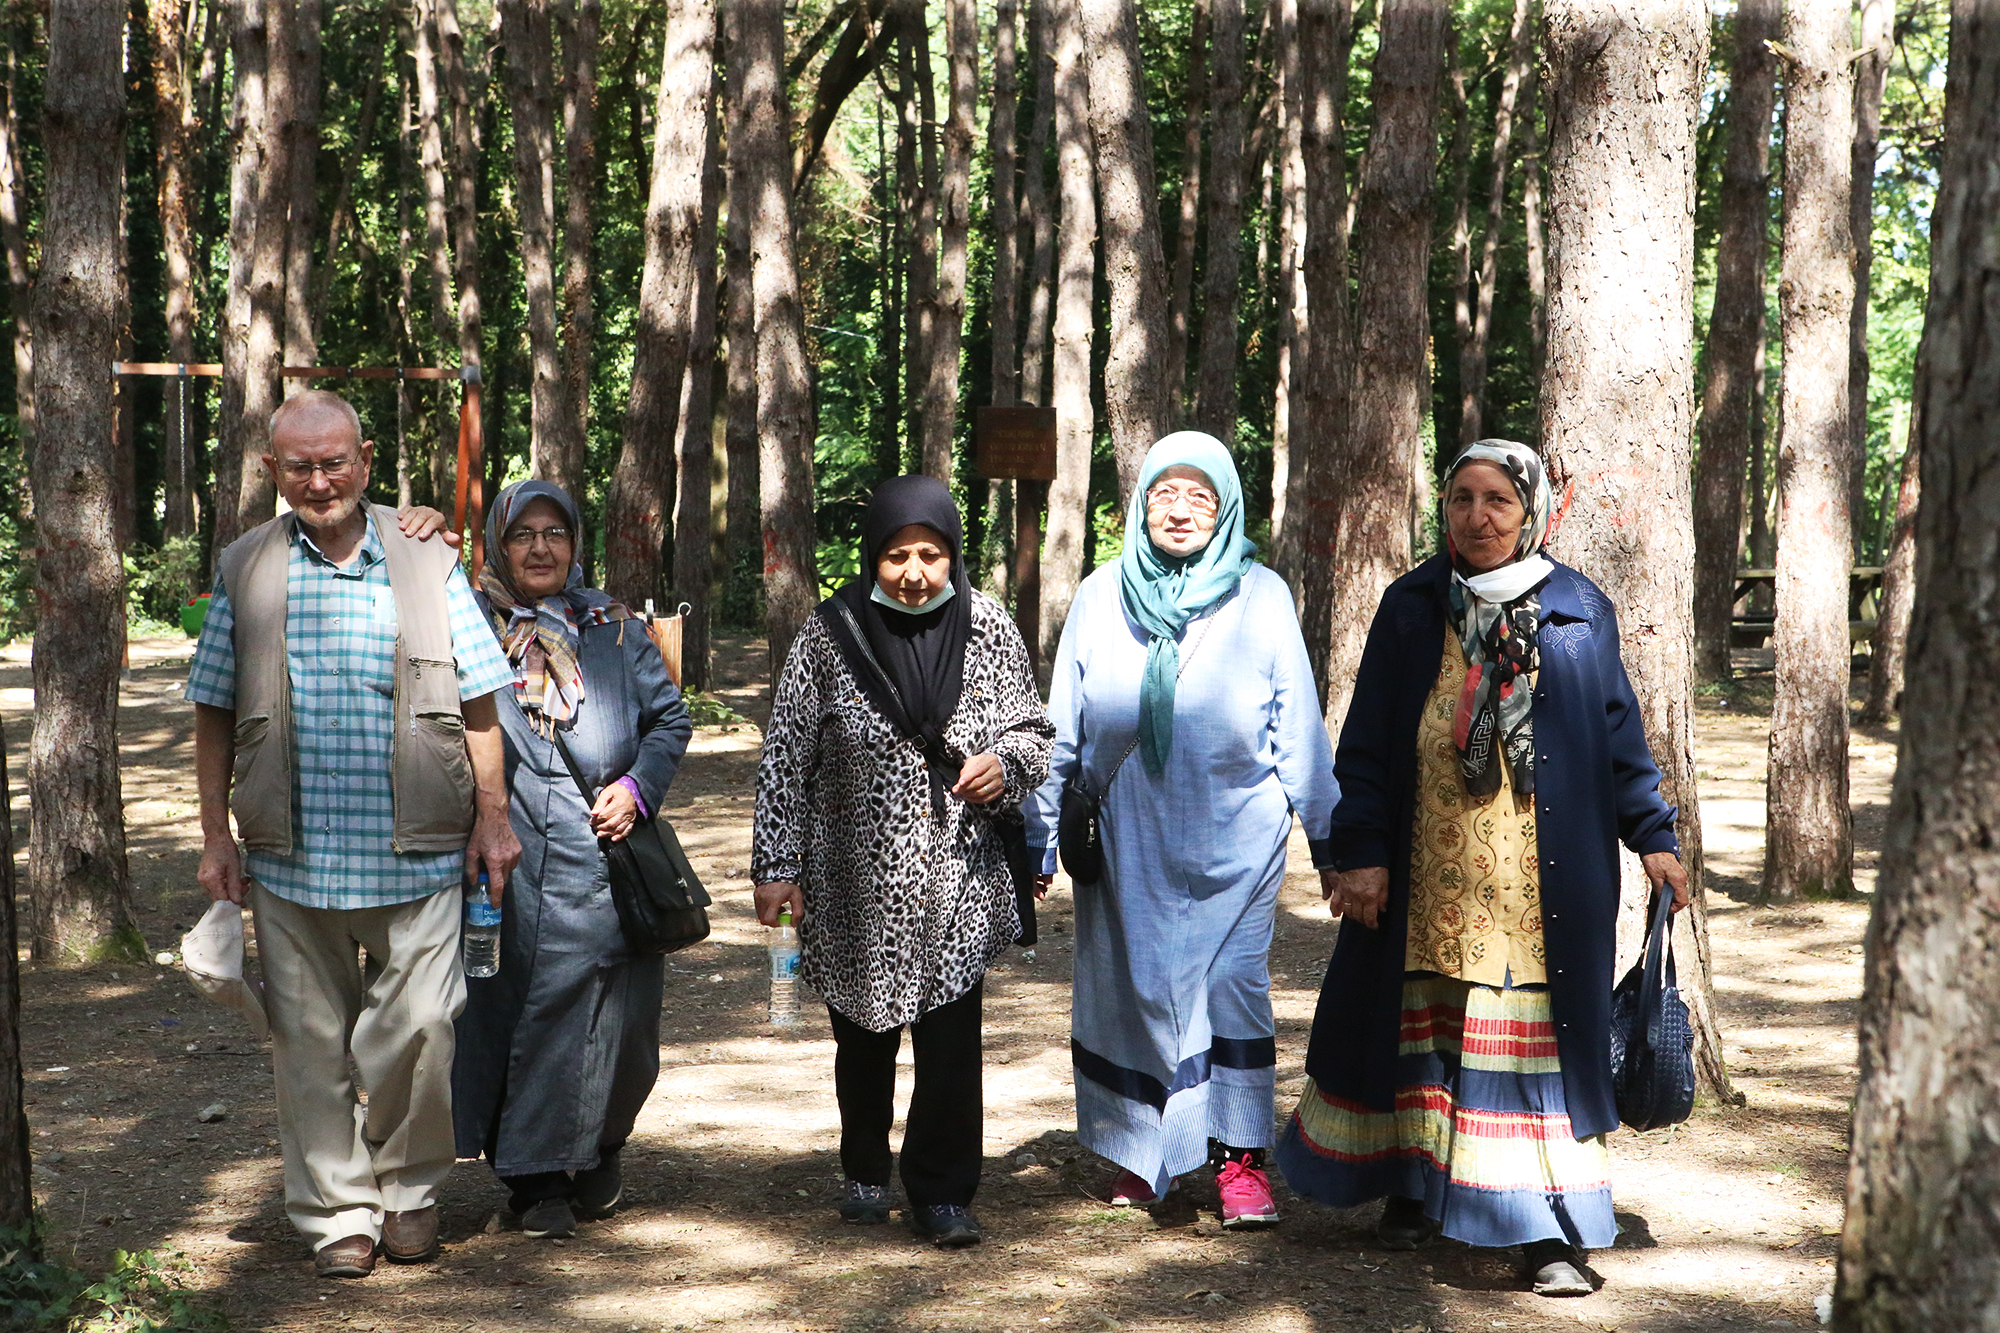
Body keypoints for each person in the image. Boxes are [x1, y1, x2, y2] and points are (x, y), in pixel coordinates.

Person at [1274, 439, 1689, 1297]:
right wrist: (1361, 853)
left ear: (1530, 509)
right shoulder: (1412, 606)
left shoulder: (1577, 611)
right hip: (1428, 877)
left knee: (1528, 1053)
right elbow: (1367, 746)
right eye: (1462, 498)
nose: (1478, 517)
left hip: (1537, 891)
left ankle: (1541, 1230)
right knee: (1422, 1034)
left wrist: (1654, 834)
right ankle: (1413, 1186)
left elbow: (1619, 737)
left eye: (1498, 499)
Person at [188, 390, 520, 1279]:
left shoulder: (425, 555)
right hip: (291, 853)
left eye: (334, 461)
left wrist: (493, 816)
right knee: (306, 1042)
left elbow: (483, 697)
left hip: (414, 846)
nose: (319, 479)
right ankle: (339, 1209)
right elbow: (214, 707)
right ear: (272, 471)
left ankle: (408, 1192)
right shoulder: (246, 564)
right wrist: (214, 832)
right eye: (299, 465)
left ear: (365, 459)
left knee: (421, 1030)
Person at [1024, 432, 1339, 1229]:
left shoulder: (1262, 595)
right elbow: (1062, 723)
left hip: (1239, 831)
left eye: (1202, 496)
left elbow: (1296, 725)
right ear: (1140, 504)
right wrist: (1036, 835)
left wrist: (1332, 842)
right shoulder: (1102, 595)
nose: (1182, 509)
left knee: (1233, 989)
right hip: (1131, 836)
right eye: (1166, 492)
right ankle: (1144, 1154)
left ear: (1227, 508)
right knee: (1133, 992)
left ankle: (1240, 1160)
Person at [752, 476, 1052, 1249]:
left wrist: (1004, 763)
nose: (915, 572)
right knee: (862, 1032)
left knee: (951, 1041)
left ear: (951, 553)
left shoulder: (987, 625)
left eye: (931, 553)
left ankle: (943, 1190)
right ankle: (862, 1165)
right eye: (896, 555)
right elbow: (786, 756)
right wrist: (775, 866)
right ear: (871, 557)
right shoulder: (829, 634)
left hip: (958, 871)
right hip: (851, 875)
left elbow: (1033, 729)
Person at [449, 481, 693, 1240]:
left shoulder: (612, 627)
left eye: (555, 532)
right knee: (515, 1014)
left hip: (605, 857)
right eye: (523, 534)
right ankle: (535, 1177)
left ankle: (600, 1146)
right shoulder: (465, 629)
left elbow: (669, 719)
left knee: (622, 1024)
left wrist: (636, 788)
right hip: (507, 858)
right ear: (497, 542)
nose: (541, 548)